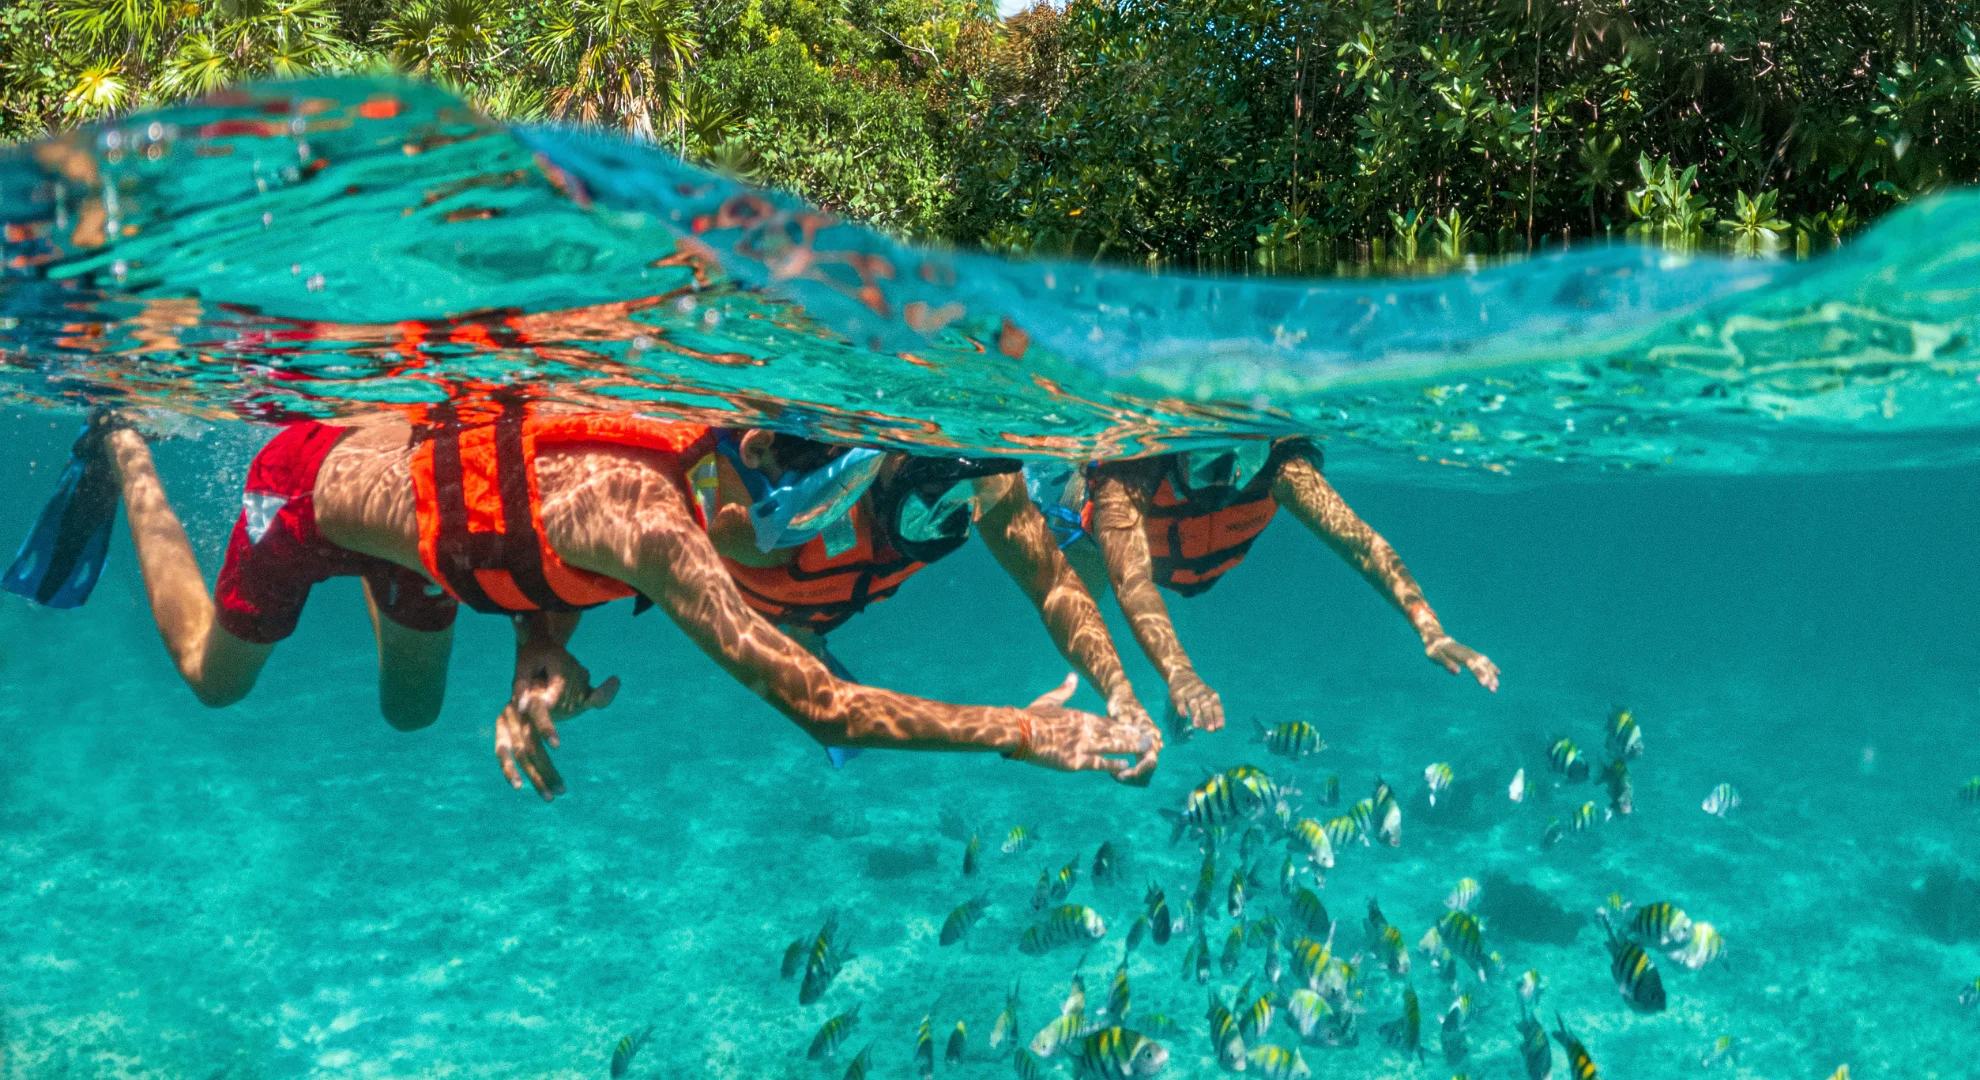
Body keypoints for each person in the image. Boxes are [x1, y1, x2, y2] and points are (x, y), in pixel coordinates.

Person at [5, 404, 1160, 798]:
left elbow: (528, 531)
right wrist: (1025, 730)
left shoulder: (671, 486)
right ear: (742, 458)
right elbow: (823, 709)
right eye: (786, 508)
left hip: (436, 536)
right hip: (304, 490)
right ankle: (125, 451)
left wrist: (535, 652)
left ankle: (388, 553)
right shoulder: (660, 531)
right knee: (214, 677)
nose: (780, 541)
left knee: (410, 716)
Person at [693, 428, 1155, 768]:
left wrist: (1120, 692)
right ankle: (802, 635)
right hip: (765, 604)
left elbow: (1053, 584)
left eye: (962, 505)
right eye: (929, 501)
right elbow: (825, 710)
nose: (945, 522)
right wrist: (1022, 731)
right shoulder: (765, 520)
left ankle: (808, 632)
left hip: (828, 599)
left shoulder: (983, 478)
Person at [1028, 437, 1498, 735]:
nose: (1228, 481)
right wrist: (1179, 673)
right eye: (1214, 465)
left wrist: (1429, 628)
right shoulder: (1132, 470)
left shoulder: (1284, 468)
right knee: (1070, 607)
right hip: (1098, 543)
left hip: (1198, 563)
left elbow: (1361, 543)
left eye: (1243, 463)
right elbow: (1131, 580)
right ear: (1181, 447)